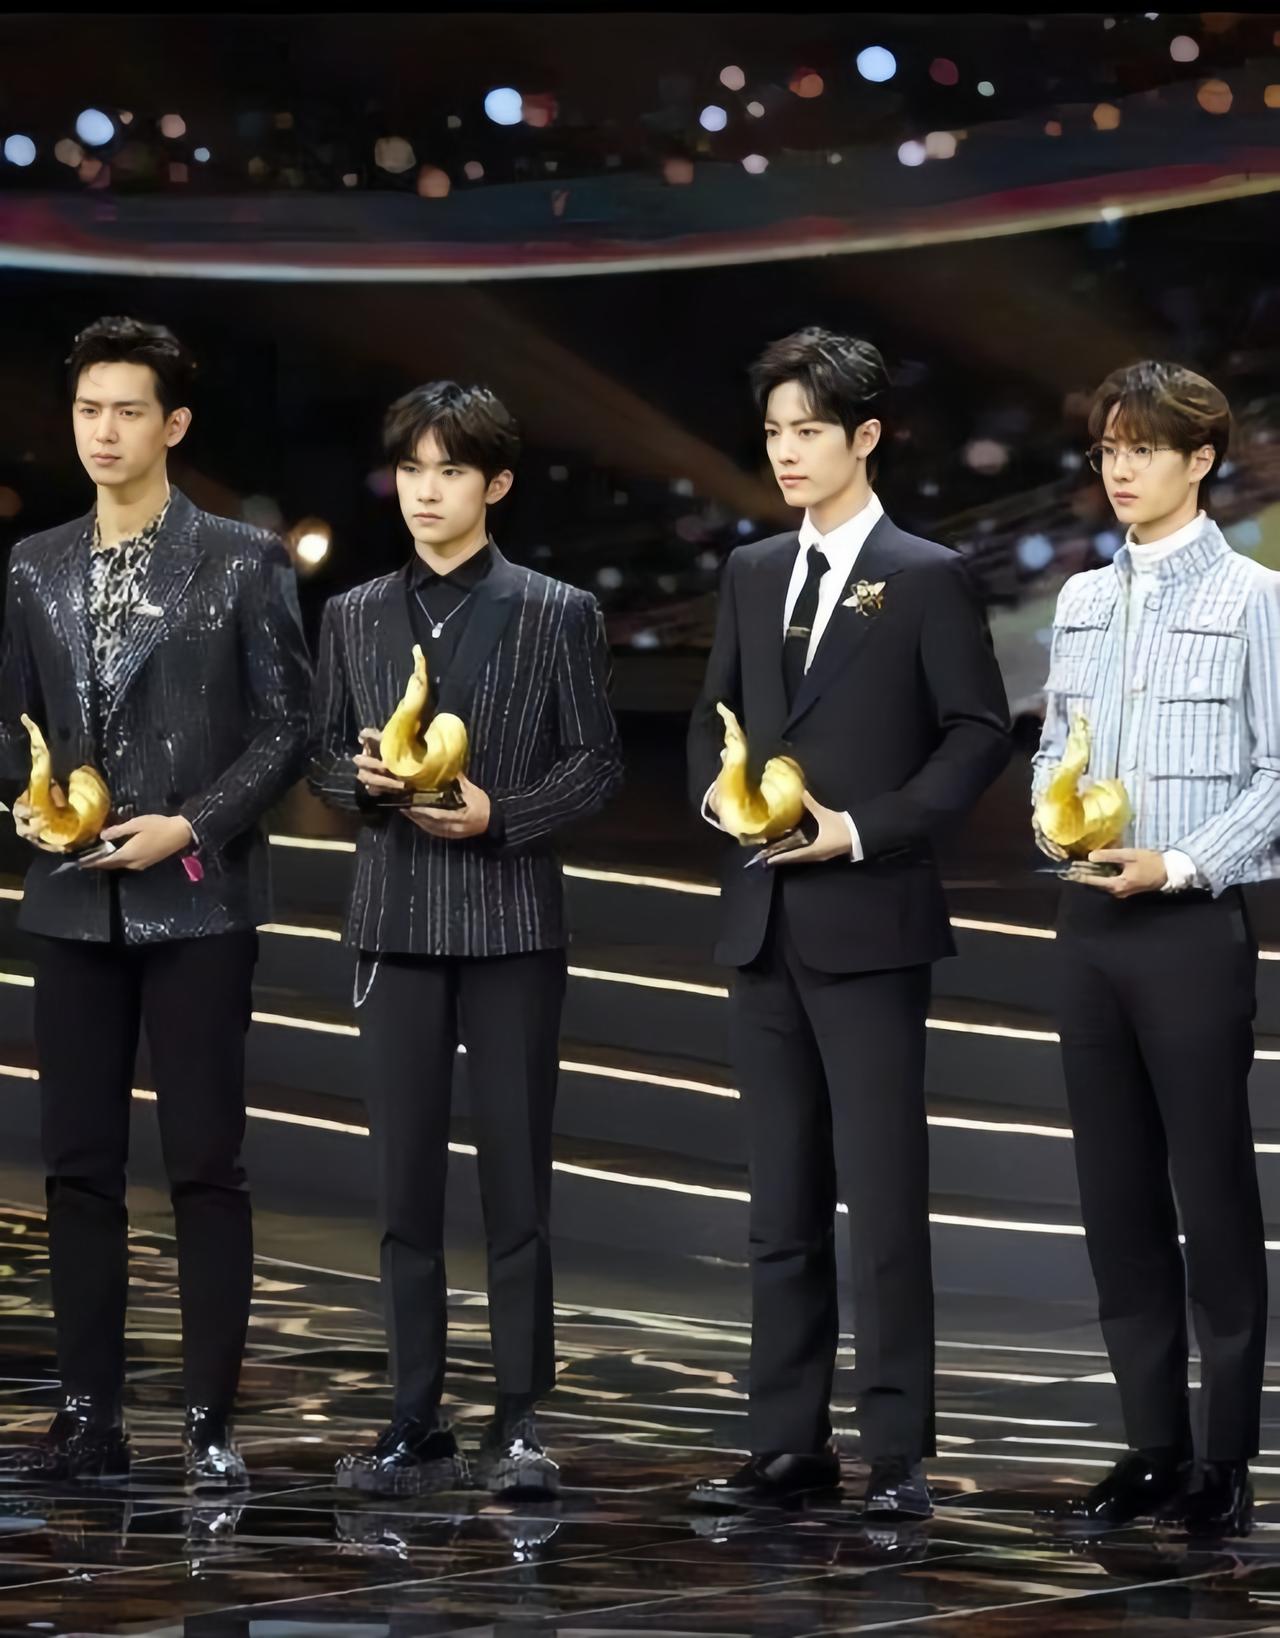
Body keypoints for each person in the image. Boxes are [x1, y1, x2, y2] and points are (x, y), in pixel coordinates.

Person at [686, 328, 1011, 1519]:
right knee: (777, 1203)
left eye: (809, 431)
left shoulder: (923, 573)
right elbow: (713, 715)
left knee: (879, 1198)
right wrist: (719, 799)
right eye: (774, 432)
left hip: (868, 917)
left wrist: (864, 829)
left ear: (864, 437)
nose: (786, 452)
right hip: (761, 917)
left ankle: (895, 1451)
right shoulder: (751, 569)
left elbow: (976, 731)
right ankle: (786, 1443)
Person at [0, 316, 312, 1487]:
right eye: (89, 409)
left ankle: (207, 1422)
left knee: (202, 1165)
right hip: (71, 900)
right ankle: (88, 1415)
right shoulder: (33, 563)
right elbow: (11, 723)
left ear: (172, 424)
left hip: (196, 901)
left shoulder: (240, 558)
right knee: (77, 1165)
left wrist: (194, 823)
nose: (104, 431)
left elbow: (287, 725)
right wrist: (29, 807)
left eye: (128, 411)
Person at [309, 381, 623, 1497]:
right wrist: (357, 783)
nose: (425, 491)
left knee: (516, 1183)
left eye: (449, 471)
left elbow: (596, 762)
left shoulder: (555, 609)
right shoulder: (352, 614)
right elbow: (318, 756)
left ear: (495, 484)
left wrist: (503, 814)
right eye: (411, 470)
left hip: (511, 923)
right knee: (401, 1185)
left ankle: (520, 1421)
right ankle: (413, 1418)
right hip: (393, 920)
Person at [1034, 362, 1280, 1537]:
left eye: (1142, 449)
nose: (1119, 470)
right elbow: (1052, 750)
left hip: (1186, 925)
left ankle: (1222, 1459)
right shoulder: (1080, 599)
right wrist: (1050, 821)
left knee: (1210, 1192)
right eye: (1107, 450)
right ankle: (1150, 1446)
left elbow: (1278, 775)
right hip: (1087, 926)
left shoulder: (1253, 598)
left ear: (1199, 460)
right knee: (1112, 1195)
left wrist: (1178, 862)